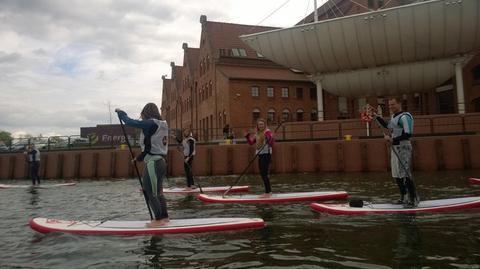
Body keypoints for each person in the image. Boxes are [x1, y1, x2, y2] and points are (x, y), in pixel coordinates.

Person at [115, 103, 170, 227]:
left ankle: (158, 220)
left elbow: (130, 122)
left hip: (153, 164)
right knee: (158, 192)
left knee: (149, 192)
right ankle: (165, 218)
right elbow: (151, 147)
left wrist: (121, 113)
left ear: (146, 113)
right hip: (161, 162)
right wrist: (138, 158)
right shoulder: (162, 125)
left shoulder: (150, 123)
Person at [374, 97, 417, 208]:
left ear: (399, 104)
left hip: (404, 147)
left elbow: (408, 134)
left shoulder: (405, 117)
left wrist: (393, 139)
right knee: (396, 174)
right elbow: (388, 126)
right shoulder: (394, 117)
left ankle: (413, 198)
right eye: (389, 105)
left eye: (393, 104)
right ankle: (403, 197)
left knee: (405, 174)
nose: (391, 107)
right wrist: (378, 118)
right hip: (395, 148)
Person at [245, 118, 274, 198]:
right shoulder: (257, 133)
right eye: (259, 124)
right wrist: (247, 137)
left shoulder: (267, 132)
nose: (261, 126)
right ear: (257, 126)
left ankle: (268, 192)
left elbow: (271, 142)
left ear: (265, 125)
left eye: (262, 124)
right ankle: (268, 192)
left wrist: (269, 139)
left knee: (264, 173)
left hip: (266, 154)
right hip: (260, 154)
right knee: (262, 173)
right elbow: (251, 143)